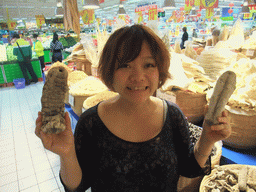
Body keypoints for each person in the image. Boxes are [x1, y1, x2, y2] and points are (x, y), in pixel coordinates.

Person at [35, 24, 231, 192]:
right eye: (125, 65)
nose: (138, 76)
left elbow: (188, 169)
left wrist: (208, 138)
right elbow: (77, 186)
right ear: (110, 72)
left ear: (159, 70)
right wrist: (66, 153)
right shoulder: (91, 122)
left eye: (148, 65)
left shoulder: (172, 116)